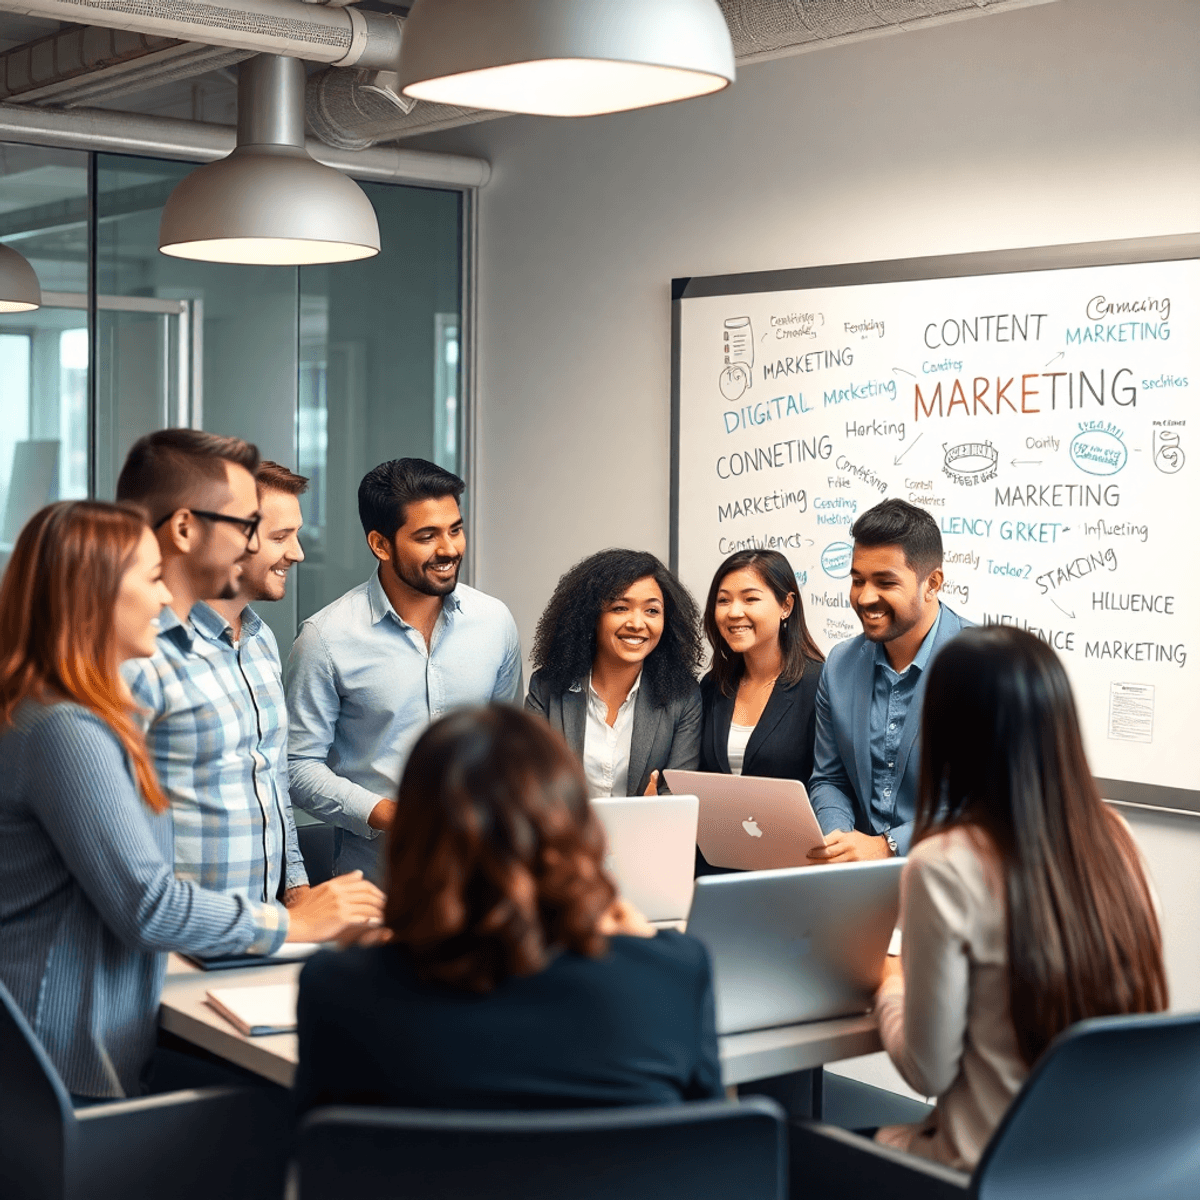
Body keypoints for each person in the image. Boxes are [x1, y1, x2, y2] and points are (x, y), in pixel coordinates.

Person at [0, 502, 384, 1102]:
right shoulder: (62, 728)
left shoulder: (72, 713)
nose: (164, 601)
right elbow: (148, 903)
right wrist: (296, 923)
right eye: (152, 579)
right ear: (92, 594)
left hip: (94, 1042)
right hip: (67, 1061)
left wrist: (307, 922)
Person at [294, 705, 722, 1113]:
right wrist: (650, 951)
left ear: (413, 839)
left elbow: (319, 1159)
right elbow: (714, 1149)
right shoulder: (675, 977)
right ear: (575, 831)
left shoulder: (336, 991)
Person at [872, 626, 1167, 1169]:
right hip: (1113, 1166)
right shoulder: (1115, 838)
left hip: (989, 1169)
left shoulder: (942, 865)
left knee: (806, 1145)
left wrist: (889, 987)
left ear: (946, 729)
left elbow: (927, 1070)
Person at [287, 458, 522, 881]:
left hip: (482, 877)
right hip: (377, 884)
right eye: (427, 536)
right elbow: (296, 766)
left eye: (455, 529)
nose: (450, 549)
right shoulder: (325, 638)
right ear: (380, 544)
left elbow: (506, 745)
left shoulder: (495, 622)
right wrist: (389, 814)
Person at [117, 431, 310, 907]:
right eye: (276, 535)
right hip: (176, 942)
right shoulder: (140, 654)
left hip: (258, 935)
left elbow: (270, 778)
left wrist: (297, 888)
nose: (298, 553)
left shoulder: (262, 641)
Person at [807, 499, 970, 864]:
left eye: (885, 582)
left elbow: (991, 801)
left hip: (955, 881)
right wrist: (840, 841)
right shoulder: (839, 665)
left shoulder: (984, 666)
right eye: (857, 580)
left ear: (933, 583)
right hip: (858, 885)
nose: (865, 597)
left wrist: (887, 846)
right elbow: (829, 779)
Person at [525, 548, 703, 798]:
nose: (637, 623)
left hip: (647, 835)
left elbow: (676, 796)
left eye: (652, 611)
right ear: (591, 616)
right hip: (568, 836)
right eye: (620, 608)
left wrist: (657, 809)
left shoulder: (683, 697)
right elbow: (531, 786)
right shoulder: (546, 688)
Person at [699, 549, 824, 781]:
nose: (734, 612)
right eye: (723, 600)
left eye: (750, 599)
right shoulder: (712, 686)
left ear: (786, 605)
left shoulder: (819, 684)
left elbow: (831, 781)